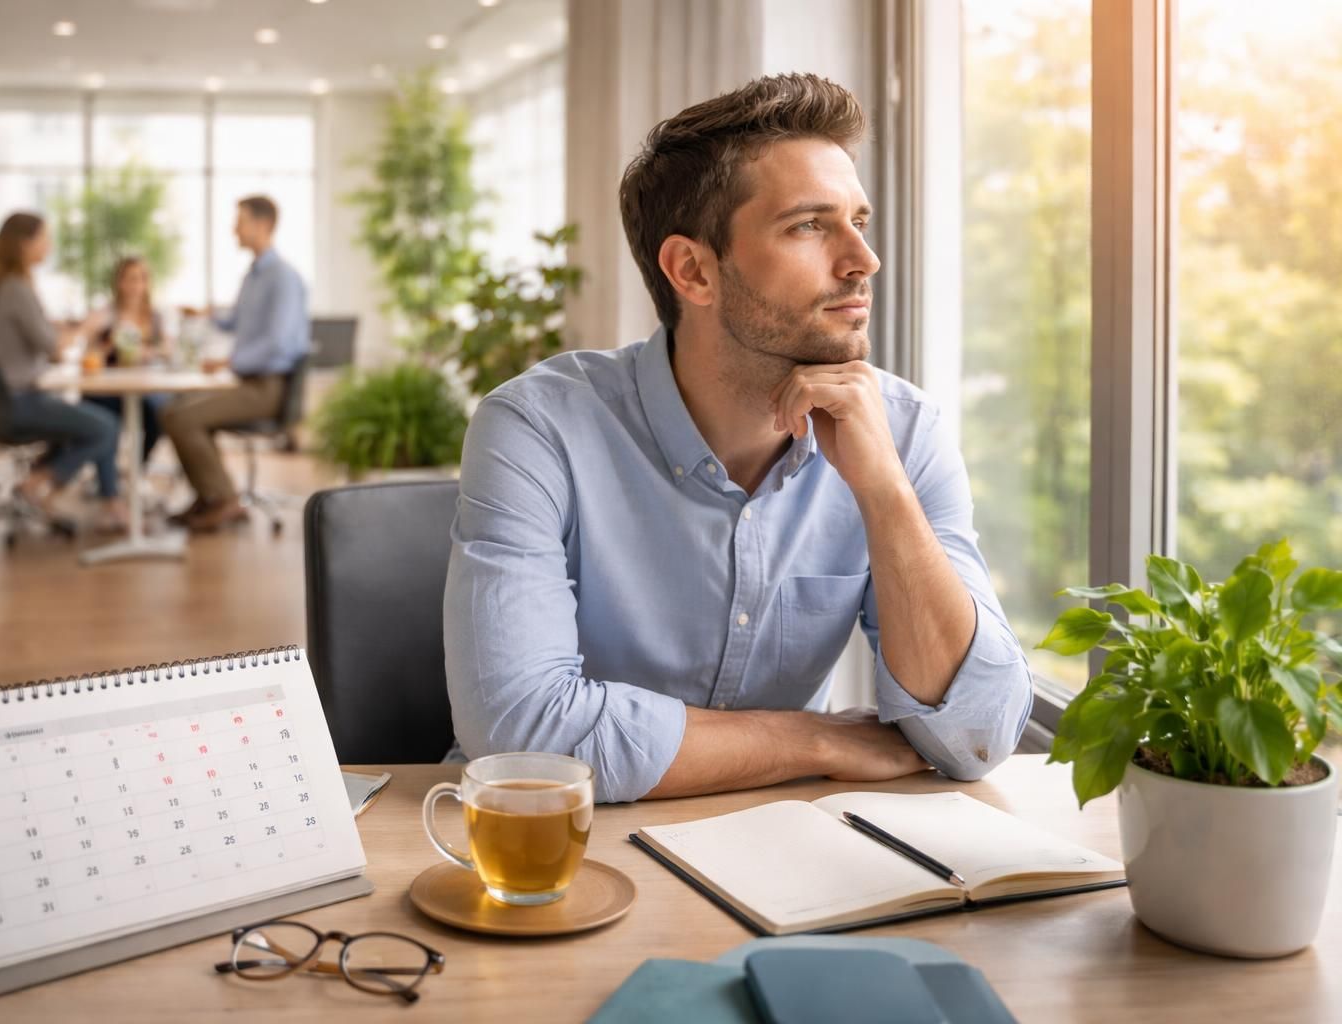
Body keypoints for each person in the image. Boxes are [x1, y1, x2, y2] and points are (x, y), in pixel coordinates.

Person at [443, 74, 1034, 804]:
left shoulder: (904, 432)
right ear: (692, 270)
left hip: (779, 851)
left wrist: (884, 492)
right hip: (568, 849)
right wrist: (814, 738)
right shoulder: (537, 428)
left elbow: (977, 735)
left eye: (859, 221)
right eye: (809, 226)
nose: (862, 260)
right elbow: (521, 736)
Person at [161, 195, 307, 533]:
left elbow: (279, 343)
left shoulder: (283, 278)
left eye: (239, 221)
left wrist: (229, 360)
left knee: (182, 418)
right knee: (172, 410)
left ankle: (224, 499)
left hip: (270, 387)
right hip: (248, 383)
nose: (234, 230)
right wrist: (207, 315)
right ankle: (210, 496)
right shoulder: (253, 276)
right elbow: (236, 321)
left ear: (263, 225)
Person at [0, 212, 127, 533]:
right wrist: (88, 326)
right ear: (24, 243)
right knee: (106, 426)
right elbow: (53, 349)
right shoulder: (16, 287)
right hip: (20, 402)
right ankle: (36, 484)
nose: (50, 246)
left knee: (90, 419)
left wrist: (61, 326)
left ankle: (101, 500)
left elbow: (31, 336)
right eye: (45, 239)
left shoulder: (0, 285)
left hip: (2, 401)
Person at [82, 256, 170, 463]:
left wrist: (150, 352)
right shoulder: (104, 316)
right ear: (119, 282)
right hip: (108, 390)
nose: (136, 285)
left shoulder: (154, 317)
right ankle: (108, 486)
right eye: (130, 279)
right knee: (103, 417)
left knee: (161, 415)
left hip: (144, 388)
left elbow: (167, 350)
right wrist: (109, 345)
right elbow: (88, 359)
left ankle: (138, 469)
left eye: (141, 279)